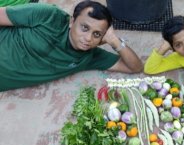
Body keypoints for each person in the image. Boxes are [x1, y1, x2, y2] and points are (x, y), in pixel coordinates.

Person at [0, 0, 143, 91]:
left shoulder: (90, 56)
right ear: (72, 21)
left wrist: (114, 40)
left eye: (97, 34)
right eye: (85, 28)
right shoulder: (48, 16)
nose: (88, 38)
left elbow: (135, 67)